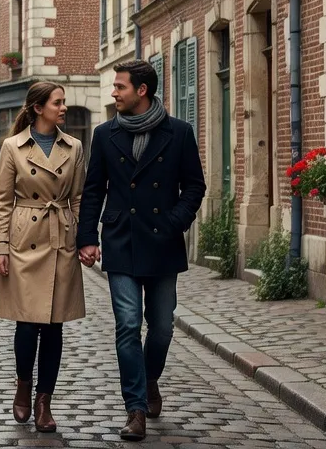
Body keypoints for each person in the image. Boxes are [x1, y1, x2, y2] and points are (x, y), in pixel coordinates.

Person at [76, 60, 205, 442]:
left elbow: (194, 186)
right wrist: (87, 237)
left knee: (162, 327)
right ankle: (135, 408)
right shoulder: (105, 134)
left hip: (163, 241)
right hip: (122, 240)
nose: (114, 92)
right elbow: (93, 190)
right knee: (128, 324)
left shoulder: (179, 132)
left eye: (120, 87)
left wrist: (174, 222)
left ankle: (149, 380)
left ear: (142, 90)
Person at [0, 81, 86, 434]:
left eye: (63, 102)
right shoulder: (12, 146)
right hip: (24, 240)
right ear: (38, 108)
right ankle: (23, 384)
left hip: (60, 238)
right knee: (27, 324)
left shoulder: (73, 146)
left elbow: (79, 197)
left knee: (54, 326)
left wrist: (81, 238)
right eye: (57, 102)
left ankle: (44, 401)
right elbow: (3, 201)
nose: (63, 108)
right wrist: (0, 246)